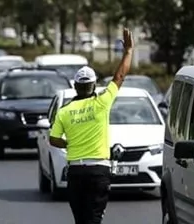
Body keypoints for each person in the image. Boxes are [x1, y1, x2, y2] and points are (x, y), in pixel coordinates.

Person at [49, 28, 134, 224]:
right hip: (99, 172)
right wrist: (128, 52)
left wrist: (69, 144)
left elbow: (53, 139)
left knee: (81, 220)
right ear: (94, 86)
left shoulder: (64, 111)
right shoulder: (102, 102)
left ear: (76, 87)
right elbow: (119, 76)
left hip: (76, 173)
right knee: (94, 219)